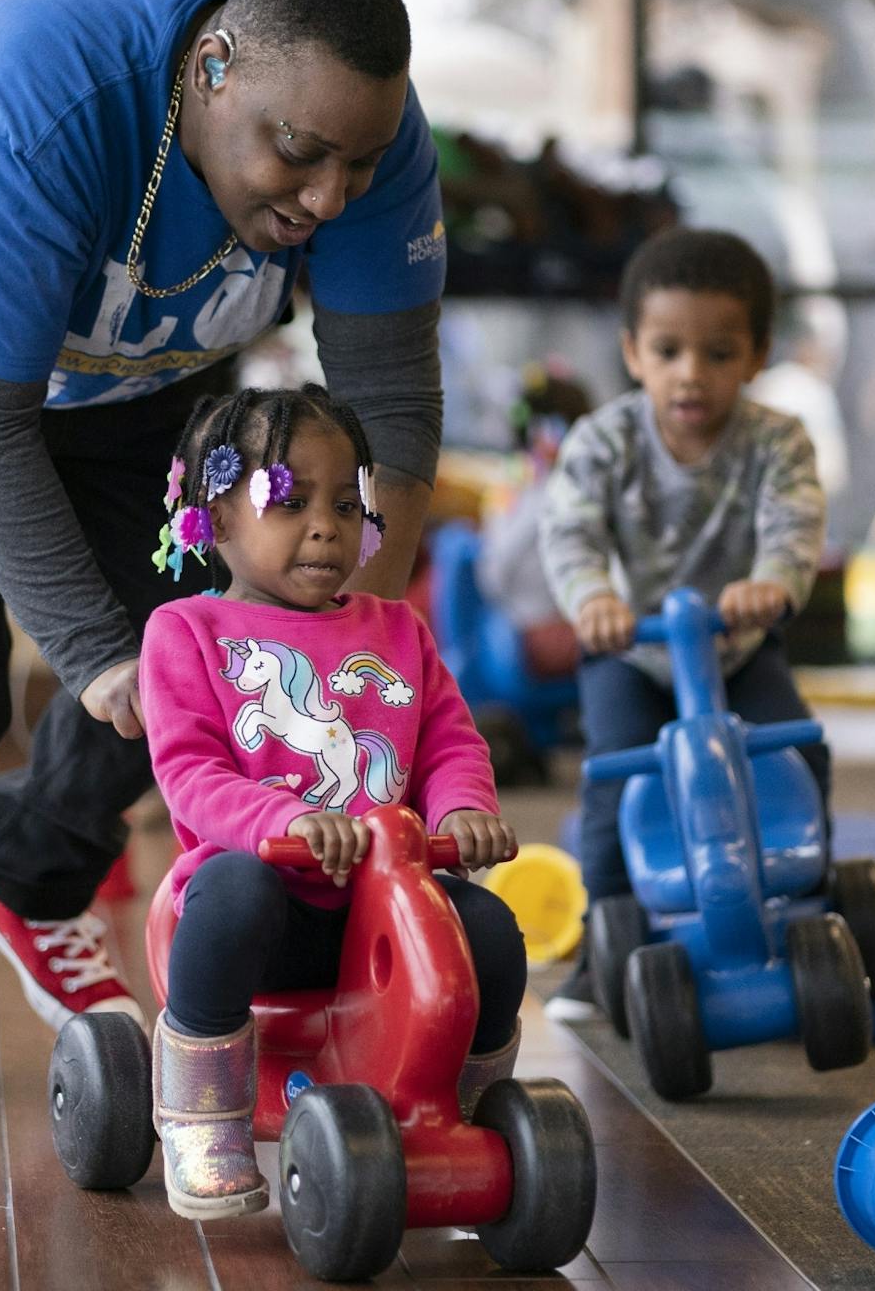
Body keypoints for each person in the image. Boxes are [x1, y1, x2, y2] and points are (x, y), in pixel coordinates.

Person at [0, 0, 449, 1110]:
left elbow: (393, 407)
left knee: (213, 628)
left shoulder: (368, 139)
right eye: (298, 154)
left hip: (137, 355)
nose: (330, 199)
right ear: (212, 68)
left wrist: (355, 649)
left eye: (357, 167)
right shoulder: (36, 106)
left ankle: (34, 872)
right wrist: (88, 652)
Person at [138, 384, 522, 1219]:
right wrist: (284, 821)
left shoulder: (398, 629)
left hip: (381, 905)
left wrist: (461, 808)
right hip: (261, 912)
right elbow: (191, 773)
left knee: (490, 932)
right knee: (237, 892)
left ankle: (472, 1109)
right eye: (291, 501)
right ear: (217, 513)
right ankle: (203, 1105)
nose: (325, 527)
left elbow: (450, 739)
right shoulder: (186, 631)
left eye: (346, 504)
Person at [537, 228, 828, 1021]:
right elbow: (570, 532)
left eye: (718, 353)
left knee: (796, 751)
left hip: (737, 648)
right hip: (631, 649)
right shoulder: (605, 441)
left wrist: (773, 585)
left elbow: (794, 524)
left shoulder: (777, 441)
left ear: (757, 354)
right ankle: (606, 939)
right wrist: (594, 599)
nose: (691, 374)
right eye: (668, 351)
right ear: (634, 353)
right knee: (617, 776)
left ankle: (811, 910)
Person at [476, 363, 593, 680]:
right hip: (538, 627)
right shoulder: (546, 491)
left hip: (532, 621)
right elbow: (495, 573)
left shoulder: (515, 485)